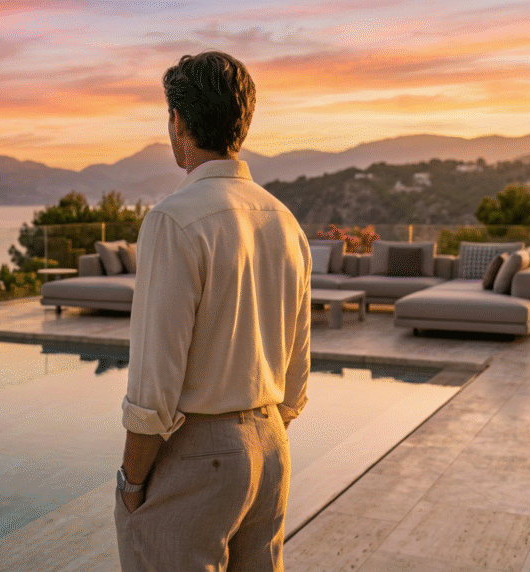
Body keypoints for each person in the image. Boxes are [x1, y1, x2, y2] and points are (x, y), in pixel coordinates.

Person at [114, 51, 311, 572]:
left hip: (197, 456)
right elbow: (297, 372)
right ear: (241, 123)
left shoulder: (173, 221)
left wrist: (131, 483)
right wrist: (260, 432)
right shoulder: (284, 221)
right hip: (270, 448)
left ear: (178, 123)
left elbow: (154, 385)